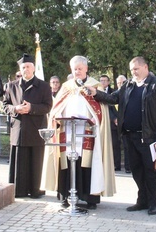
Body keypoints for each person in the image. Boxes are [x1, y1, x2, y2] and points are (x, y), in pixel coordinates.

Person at [93, 56, 156, 215]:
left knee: (150, 171)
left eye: (136, 69)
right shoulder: (128, 85)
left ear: (145, 67)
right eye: (131, 70)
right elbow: (113, 98)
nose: (133, 72)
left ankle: (152, 202)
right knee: (136, 170)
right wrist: (96, 93)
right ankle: (141, 200)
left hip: (149, 137)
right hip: (129, 136)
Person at [44, 56, 116, 209]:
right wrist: (56, 117)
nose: (77, 72)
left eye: (80, 69)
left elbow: (101, 110)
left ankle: (89, 198)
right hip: (67, 130)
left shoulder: (94, 86)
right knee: (66, 163)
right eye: (74, 69)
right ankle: (65, 196)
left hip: (87, 131)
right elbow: (56, 107)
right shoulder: (66, 87)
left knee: (88, 163)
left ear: (86, 69)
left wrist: (94, 119)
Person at [3, 54, 53, 198]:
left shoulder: (43, 86)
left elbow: (48, 106)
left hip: (36, 128)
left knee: (36, 161)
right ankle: (19, 190)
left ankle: (36, 190)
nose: (26, 70)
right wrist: (16, 109)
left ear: (33, 68)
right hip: (19, 128)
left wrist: (31, 108)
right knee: (19, 161)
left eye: (28, 67)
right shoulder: (11, 86)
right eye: (23, 67)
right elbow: (5, 105)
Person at [98, 74, 122, 172]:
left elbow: (111, 106)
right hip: (102, 122)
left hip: (114, 123)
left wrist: (115, 118)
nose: (103, 82)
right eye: (101, 80)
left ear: (108, 82)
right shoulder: (97, 92)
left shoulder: (113, 92)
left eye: (105, 80)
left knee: (115, 145)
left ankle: (116, 165)